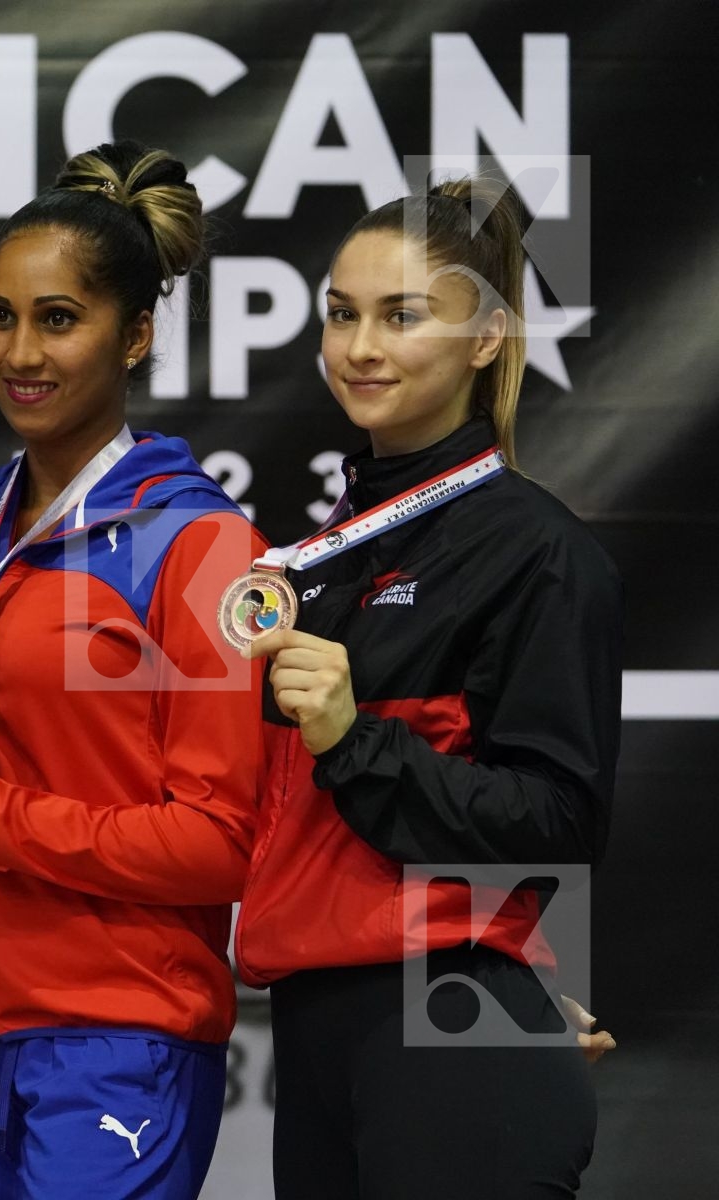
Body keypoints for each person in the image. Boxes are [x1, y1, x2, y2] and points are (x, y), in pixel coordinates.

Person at [0, 141, 266, 1199]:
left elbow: (220, 841)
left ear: (135, 334)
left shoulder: (203, 547)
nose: (20, 352)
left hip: (116, 1036)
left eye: (58, 319)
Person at [235, 177, 622, 1198]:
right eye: (342, 315)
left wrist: (355, 741)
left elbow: (559, 823)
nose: (360, 348)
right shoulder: (319, 561)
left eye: (402, 316)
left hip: (453, 1027)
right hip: (320, 1027)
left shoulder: (536, 551)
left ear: (486, 337)